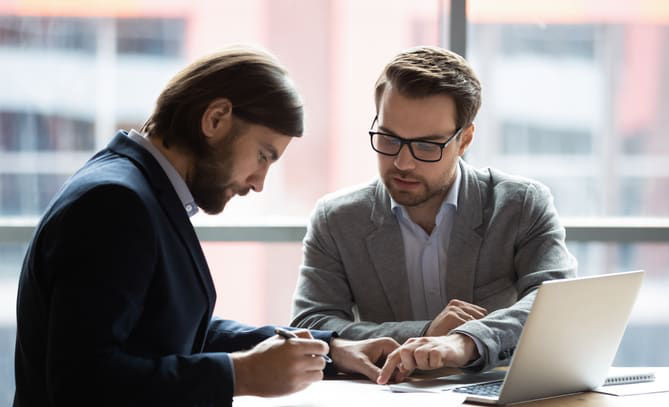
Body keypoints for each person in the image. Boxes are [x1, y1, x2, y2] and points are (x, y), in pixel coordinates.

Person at [14, 46, 398, 407]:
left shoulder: (138, 188)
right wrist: (238, 375)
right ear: (215, 119)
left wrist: (327, 349)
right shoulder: (116, 203)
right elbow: (82, 383)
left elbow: (171, 329)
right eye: (263, 156)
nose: (259, 182)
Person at [290, 46, 577, 383]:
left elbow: (556, 303)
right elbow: (312, 325)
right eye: (389, 138)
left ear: (465, 139)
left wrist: (465, 342)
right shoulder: (337, 219)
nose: (402, 163)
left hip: (492, 395)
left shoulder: (520, 205)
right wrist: (424, 331)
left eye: (427, 146)